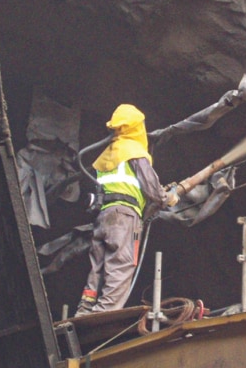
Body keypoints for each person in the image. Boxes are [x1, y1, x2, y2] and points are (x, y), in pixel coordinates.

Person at [75, 104, 178, 316]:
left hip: (104, 216)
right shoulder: (133, 151)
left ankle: (85, 309)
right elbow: (152, 189)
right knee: (121, 264)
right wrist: (168, 197)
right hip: (124, 217)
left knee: (98, 265)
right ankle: (103, 313)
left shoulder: (107, 155)